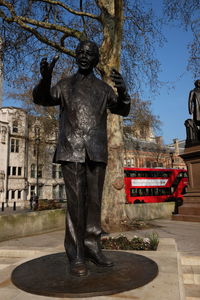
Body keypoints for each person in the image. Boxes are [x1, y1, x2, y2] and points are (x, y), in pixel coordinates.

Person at [33, 40, 130, 277]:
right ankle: (76, 254)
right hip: (71, 149)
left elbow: (122, 109)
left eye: (89, 54)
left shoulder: (104, 89)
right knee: (76, 205)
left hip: (96, 151)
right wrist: (45, 79)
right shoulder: (64, 85)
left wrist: (124, 91)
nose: (84, 57)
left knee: (94, 204)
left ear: (96, 59)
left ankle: (92, 246)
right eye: (80, 53)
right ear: (76, 57)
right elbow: (42, 98)